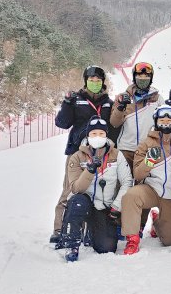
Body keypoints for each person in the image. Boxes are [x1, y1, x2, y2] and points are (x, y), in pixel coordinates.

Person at [51, 65, 113, 244]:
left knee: (97, 190)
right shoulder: (77, 100)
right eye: (91, 80)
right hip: (77, 151)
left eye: (98, 80)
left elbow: (114, 126)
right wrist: (67, 103)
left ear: (103, 82)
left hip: (100, 152)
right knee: (70, 189)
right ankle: (59, 229)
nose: (95, 83)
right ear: (86, 81)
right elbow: (62, 123)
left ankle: (90, 229)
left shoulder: (108, 103)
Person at [60, 116, 133, 262]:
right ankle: (72, 243)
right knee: (77, 203)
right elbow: (75, 188)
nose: (97, 137)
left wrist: (116, 206)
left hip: (104, 206)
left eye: (101, 134)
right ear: (88, 136)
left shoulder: (117, 155)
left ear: (106, 136)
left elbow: (127, 181)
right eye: (94, 134)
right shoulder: (77, 157)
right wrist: (89, 170)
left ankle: (90, 232)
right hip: (84, 201)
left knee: (107, 247)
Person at [120, 105, 171, 254]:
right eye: (161, 120)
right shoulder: (146, 143)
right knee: (131, 196)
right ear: (156, 122)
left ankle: (157, 223)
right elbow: (137, 174)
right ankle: (132, 238)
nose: (165, 123)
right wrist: (149, 161)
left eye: (169, 120)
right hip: (150, 189)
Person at [110, 62, 165, 169]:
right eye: (140, 75)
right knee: (124, 182)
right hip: (126, 149)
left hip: (147, 148)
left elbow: (163, 122)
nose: (143, 78)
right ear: (134, 77)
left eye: (146, 76)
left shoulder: (157, 99)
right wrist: (121, 107)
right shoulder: (123, 97)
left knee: (144, 181)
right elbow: (114, 123)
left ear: (151, 78)